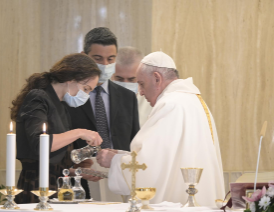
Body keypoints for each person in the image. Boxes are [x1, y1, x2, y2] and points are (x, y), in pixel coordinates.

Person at [96, 51, 225, 206]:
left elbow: (149, 166)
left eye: (142, 84)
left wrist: (116, 161)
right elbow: (164, 157)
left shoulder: (170, 104)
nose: (140, 92)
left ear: (157, 78)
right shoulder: (192, 100)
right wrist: (123, 155)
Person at [10, 53, 103, 203]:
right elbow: (40, 144)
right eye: (86, 89)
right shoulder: (38, 98)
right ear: (71, 79)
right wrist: (79, 132)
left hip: (56, 188)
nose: (86, 95)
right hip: (35, 187)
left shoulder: (61, 105)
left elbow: (53, 163)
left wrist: (78, 172)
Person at [66, 27, 140, 199]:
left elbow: (133, 141)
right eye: (98, 59)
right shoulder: (69, 95)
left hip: (119, 178)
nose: (105, 65)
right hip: (79, 179)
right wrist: (73, 166)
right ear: (84, 56)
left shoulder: (127, 96)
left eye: (110, 59)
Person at [111, 46, 152, 127]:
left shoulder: (151, 102)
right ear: (111, 75)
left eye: (131, 79)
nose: (125, 84)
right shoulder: (102, 98)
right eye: (119, 79)